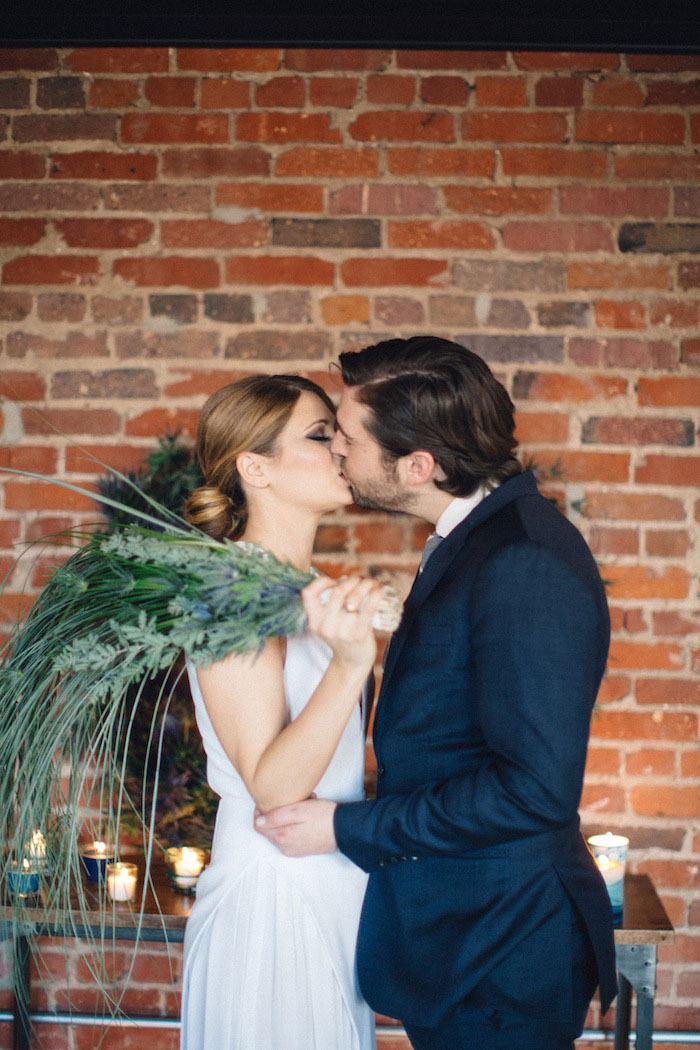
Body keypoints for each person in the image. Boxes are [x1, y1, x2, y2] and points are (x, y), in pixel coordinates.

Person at [255, 336, 618, 1050]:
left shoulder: (523, 558)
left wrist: (344, 828)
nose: (338, 455)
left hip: (504, 948)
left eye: (349, 440)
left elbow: (534, 791)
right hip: (470, 935)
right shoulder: (476, 538)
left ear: (418, 466)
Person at [180, 374, 381, 1050]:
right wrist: (353, 665)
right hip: (272, 899)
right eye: (321, 435)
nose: (344, 448)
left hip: (331, 882)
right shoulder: (227, 591)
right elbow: (272, 786)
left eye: (341, 434)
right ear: (255, 467)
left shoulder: (316, 590)